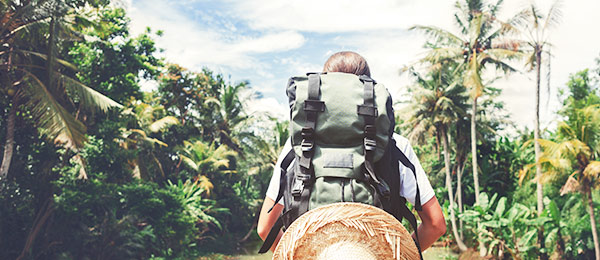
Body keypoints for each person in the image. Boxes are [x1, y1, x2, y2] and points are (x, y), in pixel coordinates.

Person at [257, 51, 446, 252]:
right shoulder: (395, 144)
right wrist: (399, 255)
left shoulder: (298, 145)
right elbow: (436, 224)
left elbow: (265, 228)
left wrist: (297, 255)